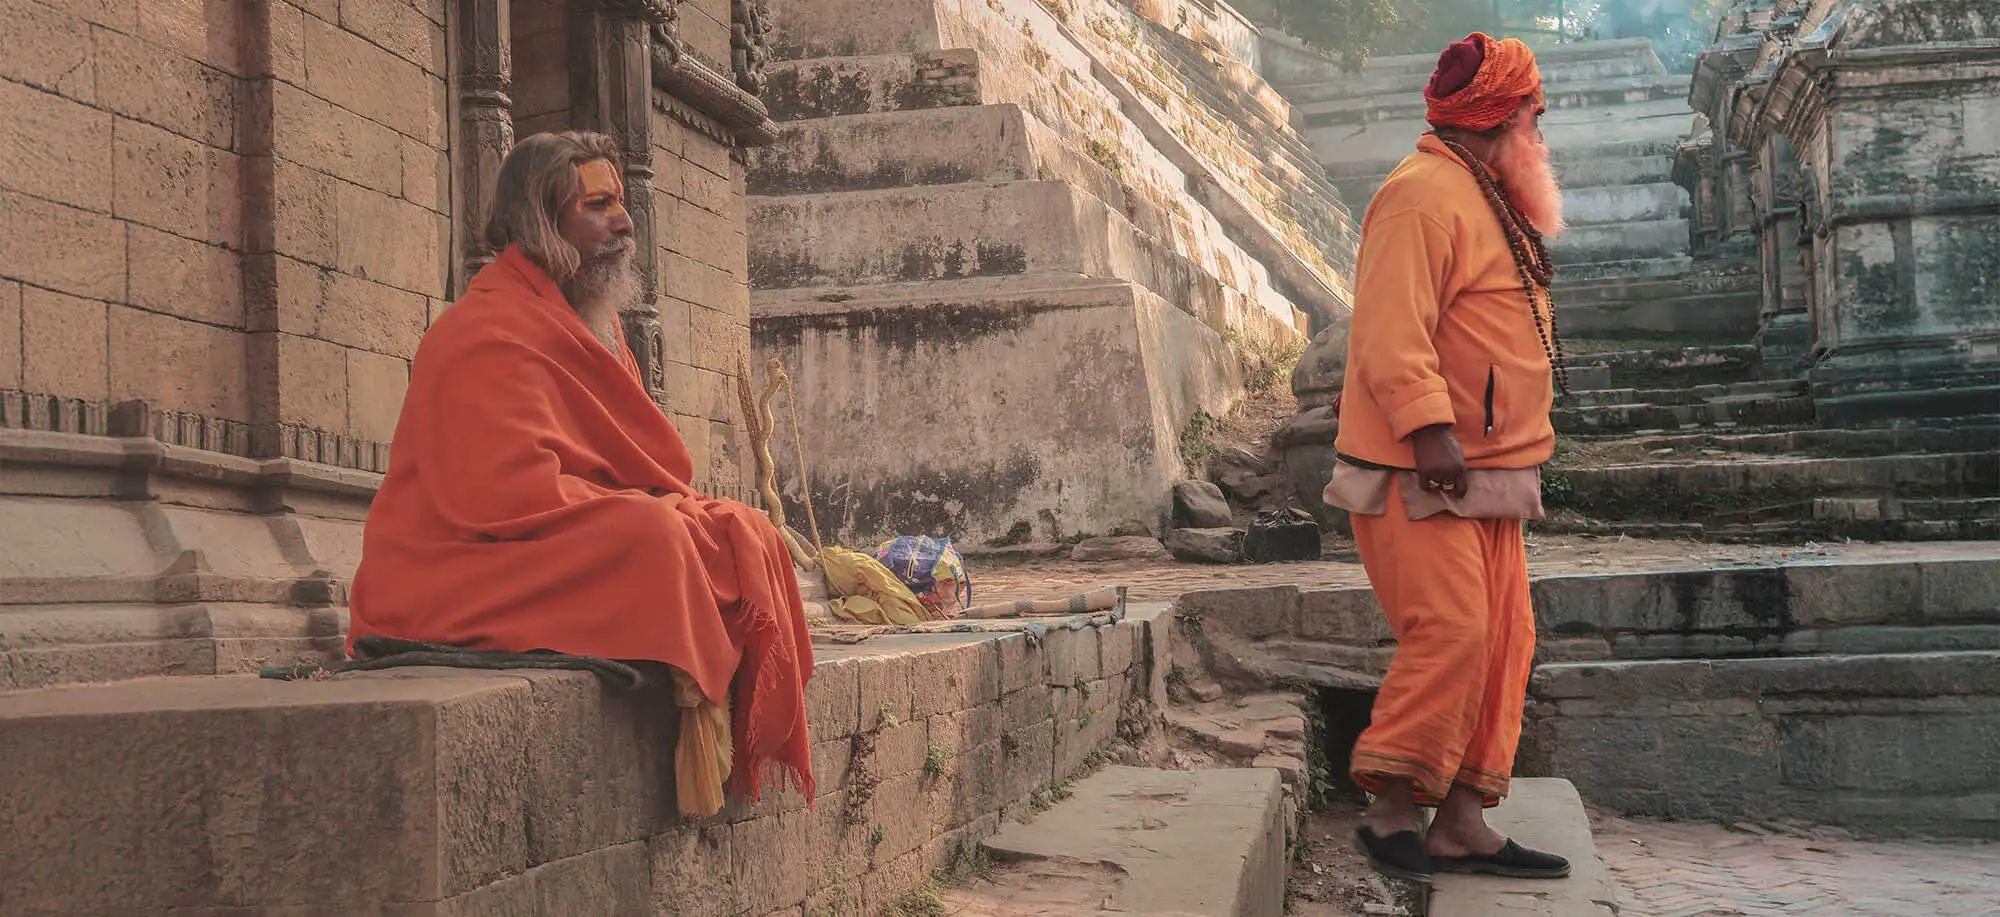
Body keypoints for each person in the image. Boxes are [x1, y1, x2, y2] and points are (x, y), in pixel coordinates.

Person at [347, 131, 814, 814]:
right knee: (656, 536)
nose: (625, 222)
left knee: (741, 530)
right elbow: (501, 496)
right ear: (545, 221)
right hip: (454, 564)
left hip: (552, 535)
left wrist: (659, 507)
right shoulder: (481, 331)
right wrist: (641, 509)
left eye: (620, 204)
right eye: (599, 206)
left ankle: (725, 737)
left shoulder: (590, 323)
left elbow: (634, 466)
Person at [1322, 33, 1574, 882]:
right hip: (1420, 471)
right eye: (1534, 114)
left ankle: (1461, 823)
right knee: (1457, 631)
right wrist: (1431, 430)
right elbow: (1390, 330)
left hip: (1490, 474)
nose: (1542, 130)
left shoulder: (1481, 192)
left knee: (1506, 640)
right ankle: (1393, 805)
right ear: (1499, 116)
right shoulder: (1420, 195)